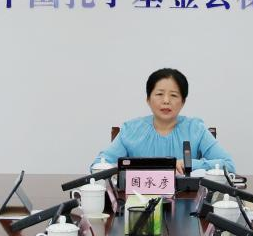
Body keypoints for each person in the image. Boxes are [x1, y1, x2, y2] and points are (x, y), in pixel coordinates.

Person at [93, 67, 234, 174]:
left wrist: (190, 164)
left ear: (183, 102)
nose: (166, 101)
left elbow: (228, 165)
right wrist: (123, 170)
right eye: (159, 94)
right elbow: (98, 166)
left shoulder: (196, 129)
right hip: (138, 199)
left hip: (186, 199)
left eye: (173, 95)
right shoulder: (130, 130)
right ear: (148, 99)